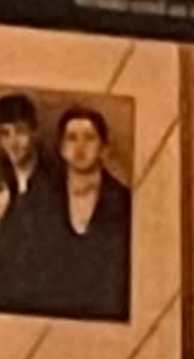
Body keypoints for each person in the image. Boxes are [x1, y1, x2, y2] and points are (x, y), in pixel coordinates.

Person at [0, 91, 74, 310]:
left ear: (34, 130)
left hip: (51, 284)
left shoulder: (57, 173)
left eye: (20, 132)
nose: (13, 142)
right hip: (4, 285)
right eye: (4, 134)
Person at [44, 103, 131, 321]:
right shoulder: (42, 200)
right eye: (72, 138)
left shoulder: (124, 201)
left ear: (104, 149)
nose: (80, 147)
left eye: (89, 138)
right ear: (62, 148)